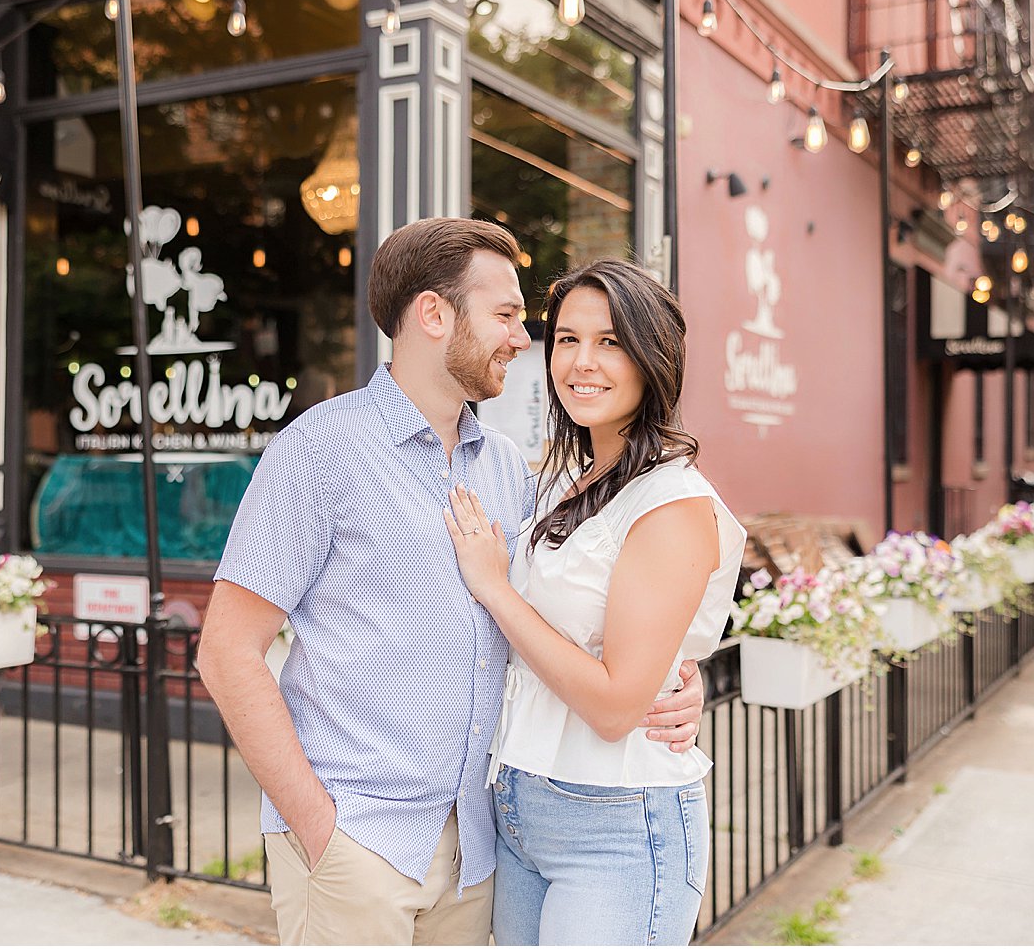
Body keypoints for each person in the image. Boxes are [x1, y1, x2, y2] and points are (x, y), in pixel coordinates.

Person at [197, 219, 707, 946]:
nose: (522, 339)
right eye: (504, 314)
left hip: (480, 851)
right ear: (434, 315)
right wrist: (319, 825)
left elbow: (579, 618)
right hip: (359, 843)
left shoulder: (507, 469)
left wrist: (678, 681)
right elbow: (226, 653)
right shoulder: (318, 451)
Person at [444, 259, 745, 945]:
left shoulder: (670, 503)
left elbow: (615, 707)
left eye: (610, 342)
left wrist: (493, 587)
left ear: (653, 357)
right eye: (568, 339)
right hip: (519, 802)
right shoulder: (569, 480)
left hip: (617, 823)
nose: (582, 362)